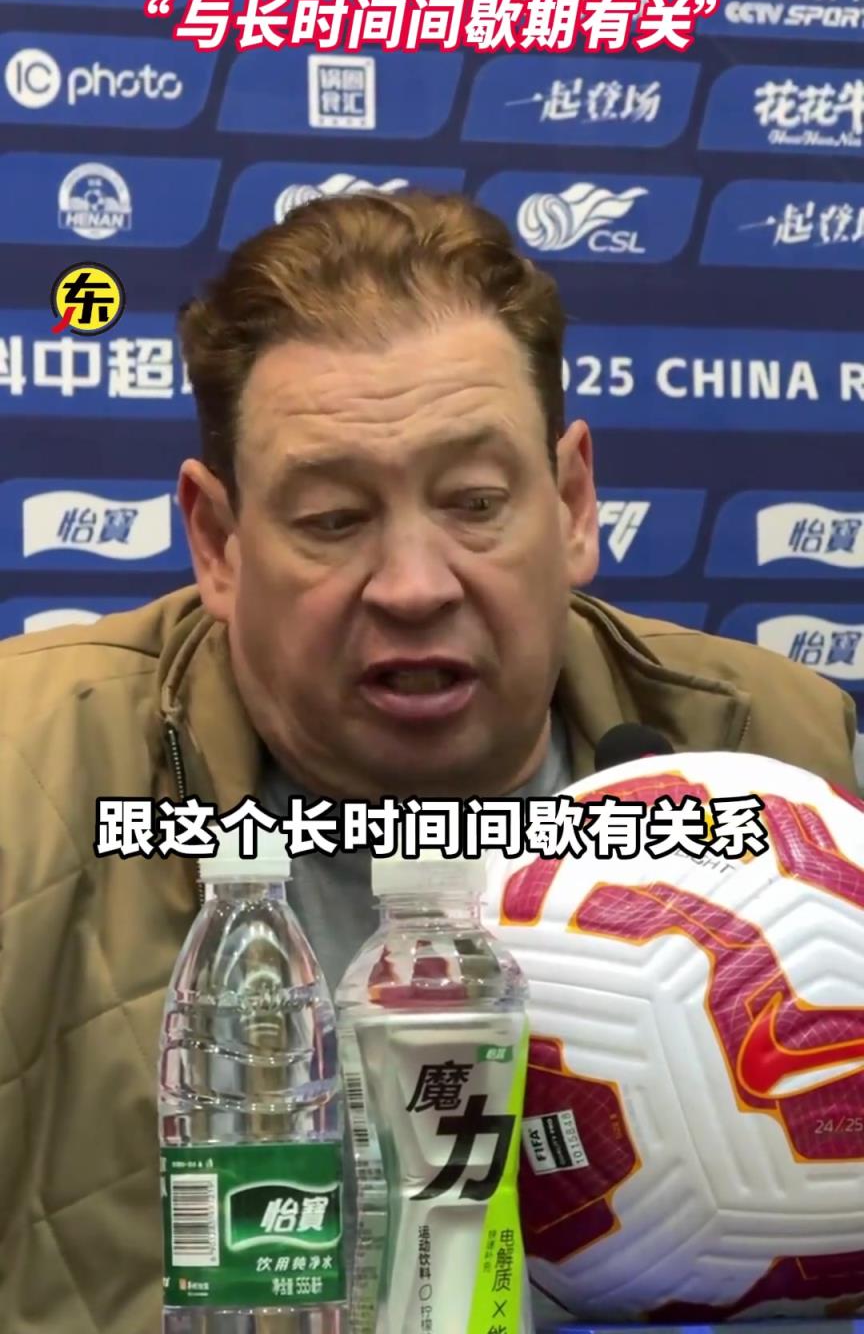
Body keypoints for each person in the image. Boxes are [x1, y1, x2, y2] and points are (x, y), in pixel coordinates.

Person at [0, 190, 859, 1334]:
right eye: (333, 518)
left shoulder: (773, 755)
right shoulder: (28, 777)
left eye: (475, 503)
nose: (415, 585)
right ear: (218, 542)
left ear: (572, 503)